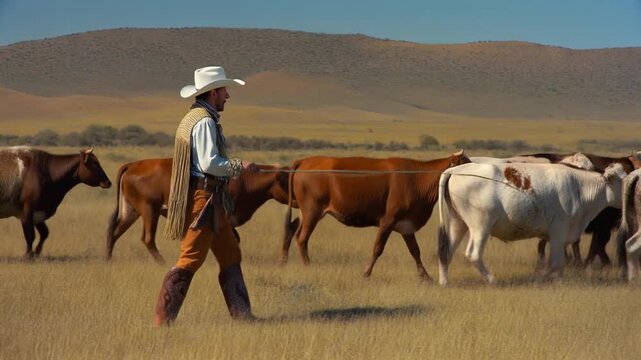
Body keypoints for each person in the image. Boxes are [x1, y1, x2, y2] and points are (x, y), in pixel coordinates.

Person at [154, 66, 258, 326]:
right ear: (213, 93)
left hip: (212, 200)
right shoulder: (204, 121)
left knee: (230, 254)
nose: (227, 96)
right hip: (203, 198)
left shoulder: (197, 117)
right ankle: (162, 322)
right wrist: (239, 166)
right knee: (190, 258)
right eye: (224, 90)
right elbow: (210, 163)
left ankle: (243, 318)